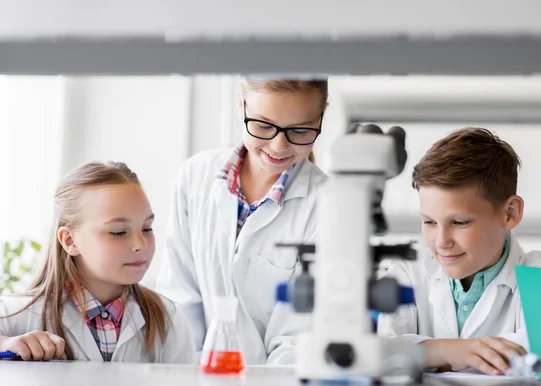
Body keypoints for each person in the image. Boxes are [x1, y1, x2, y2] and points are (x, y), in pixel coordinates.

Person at [155, 78, 328, 365]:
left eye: (300, 130)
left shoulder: (329, 205)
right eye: (263, 125)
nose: (278, 145)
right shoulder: (194, 176)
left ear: (320, 119)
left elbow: (297, 339)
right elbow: (180, 301)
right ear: (241, 105)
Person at [378, 128, 541, 375]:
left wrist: (425, 354)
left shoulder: (535, 273)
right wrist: (450, 351)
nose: (441, 241)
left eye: (460, 222)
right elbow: (377, 354)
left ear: (510, 213)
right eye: (429, 222)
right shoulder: (407, 271)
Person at [0, 162, 195, 363]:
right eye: (118, 232)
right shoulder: (15, 314)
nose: (140, 244)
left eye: (147, 228)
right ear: (70, 240)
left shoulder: (169, 320)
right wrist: (5, 345)